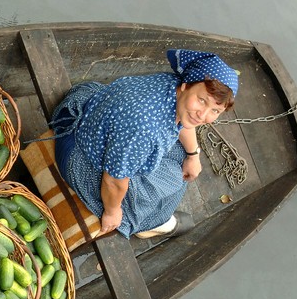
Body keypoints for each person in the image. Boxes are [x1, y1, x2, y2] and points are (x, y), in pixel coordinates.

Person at [50, 48, 238, 239]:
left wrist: (193, 155)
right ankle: (152, 224)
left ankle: (154, 211)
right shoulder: (144, 129)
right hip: (80, 155)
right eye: (202, 100)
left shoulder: (172, 84)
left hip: (94, 116)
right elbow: (114, 181)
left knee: (183, 155)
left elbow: (186, 122)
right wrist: (112, 212)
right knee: (171, 181)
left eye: (215, 110)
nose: (203, 115)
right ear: (186, 86)